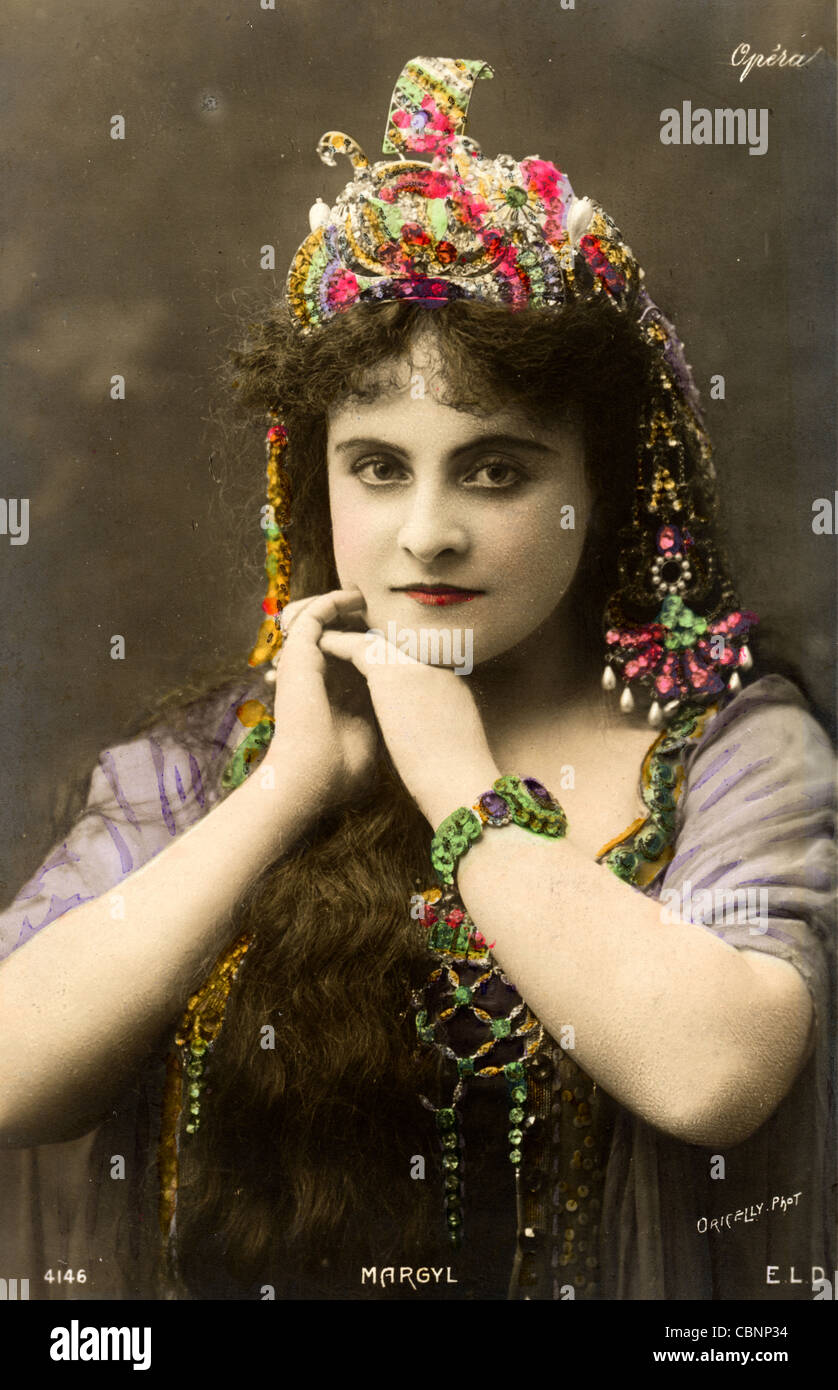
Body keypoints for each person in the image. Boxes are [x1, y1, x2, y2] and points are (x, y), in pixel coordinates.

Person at [0, 56, 834, 1303]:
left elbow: (715, 1074)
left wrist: (458, 784)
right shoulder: (214, 760)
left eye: (496, 472)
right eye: (380, 467)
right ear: (316, 482)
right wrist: (285, 793)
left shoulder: (724, 750)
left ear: (599, 491)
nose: (426, 533)